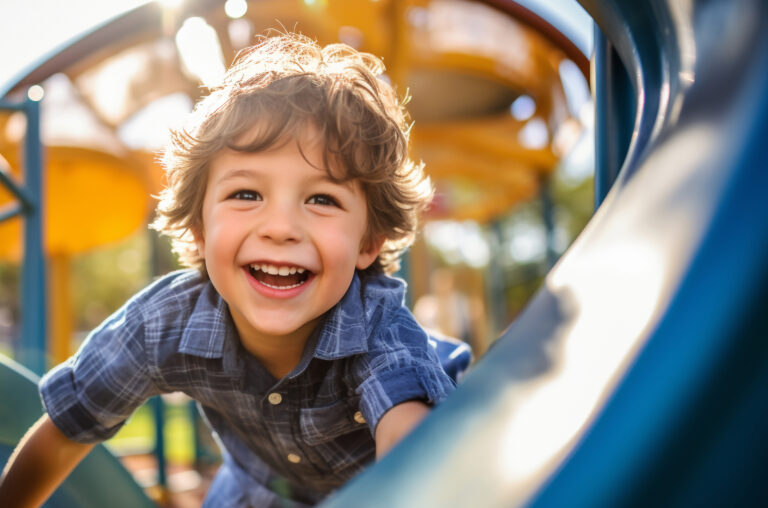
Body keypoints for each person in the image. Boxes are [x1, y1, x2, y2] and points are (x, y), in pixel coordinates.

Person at [0, 32, 456, 507]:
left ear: (368, 243)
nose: (280, 228)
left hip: (380, 486)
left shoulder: (377, 328)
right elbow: (63, 433)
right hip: (258, 486)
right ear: (199, 228)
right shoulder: (165, 323)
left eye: (322, 199)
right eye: (246, 194)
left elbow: (412, 450)